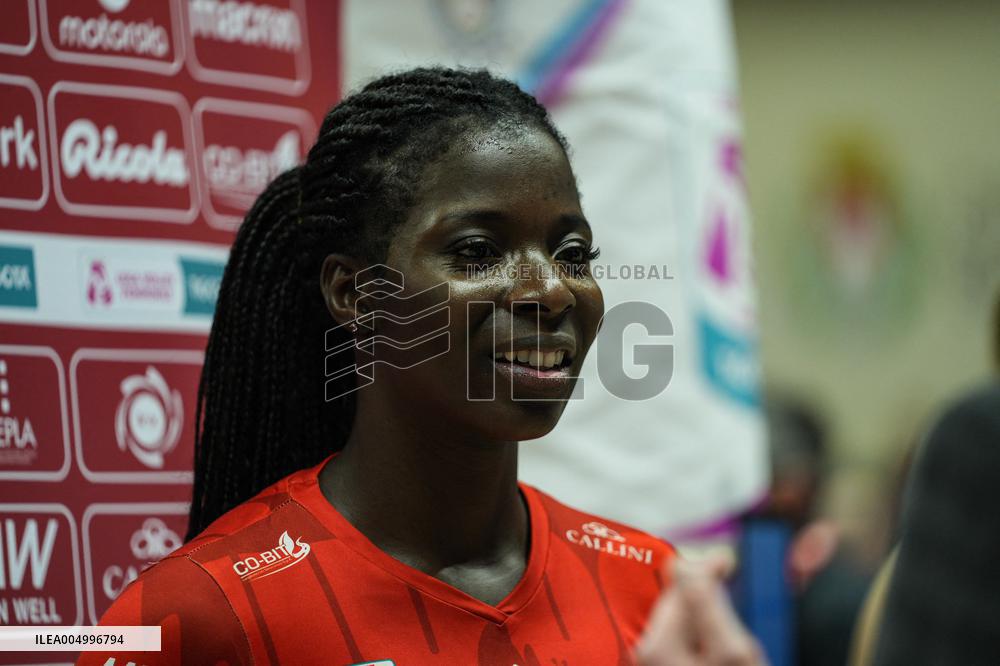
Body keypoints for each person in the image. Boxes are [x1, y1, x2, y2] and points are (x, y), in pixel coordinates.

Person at [79, 67, 762, 666]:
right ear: (354, 293)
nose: (552, 290)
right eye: (477, 251)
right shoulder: (196, 614)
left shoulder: (650, 588)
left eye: (573, 254)